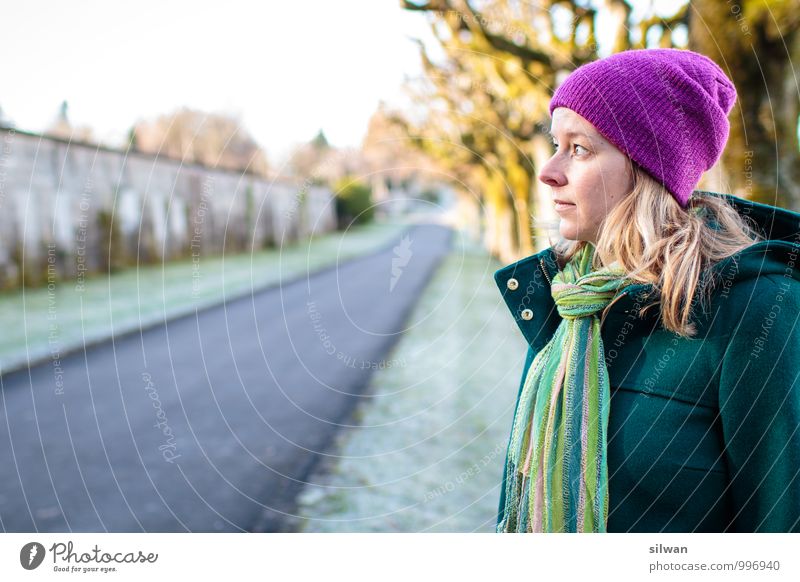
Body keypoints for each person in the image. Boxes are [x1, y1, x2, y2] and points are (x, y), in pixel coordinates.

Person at [493, 48, 800, 533]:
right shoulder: (569, 303)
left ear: (648, 169)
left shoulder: (755, 312)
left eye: (579, 149)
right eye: (556, 144)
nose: (548, 171)